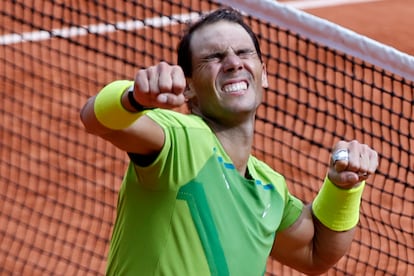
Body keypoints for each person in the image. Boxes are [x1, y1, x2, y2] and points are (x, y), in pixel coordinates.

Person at [80, 7, 378, 276]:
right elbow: (95, 119)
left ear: (264, 74)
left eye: (244, 53)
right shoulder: (181, 140)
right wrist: (133, 96)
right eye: (214, 57)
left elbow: (315, 252)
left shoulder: (268, 188)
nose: (234, 63)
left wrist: (343, 187)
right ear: (189, 88)